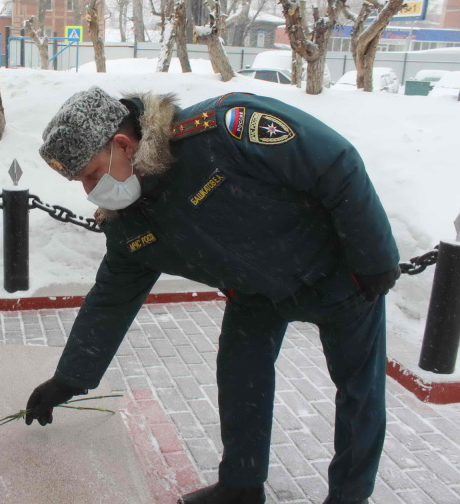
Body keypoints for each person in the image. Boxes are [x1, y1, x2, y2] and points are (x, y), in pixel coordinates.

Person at [25, 87, 400, 504]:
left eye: (92, 174)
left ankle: (350, 496)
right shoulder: (130, 219)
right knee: (241, 377)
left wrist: (374, 258)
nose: (90, 190)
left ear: (123, 144)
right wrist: (68, 379)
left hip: (336, 274)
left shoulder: (223, 131)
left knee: (358, 391)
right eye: (82, 182)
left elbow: (334, 162)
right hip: (255, 295)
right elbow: (111, 298)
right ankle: (241, 486)